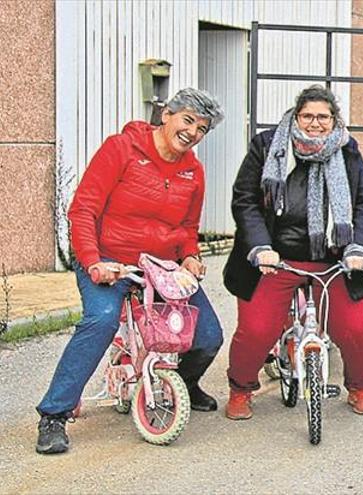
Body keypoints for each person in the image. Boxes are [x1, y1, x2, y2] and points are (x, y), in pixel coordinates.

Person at [36, 88, 226, 455]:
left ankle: (180, 384)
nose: (192, 132)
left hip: (162, 266)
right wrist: (93, 261)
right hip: (110, 259)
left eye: (202, 129)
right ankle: (54, 414)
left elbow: (188, 228)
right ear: (167, 115)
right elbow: (84, 210)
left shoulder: (193, 171)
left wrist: (189, 257)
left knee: (207, 335)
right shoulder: (121, 149)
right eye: (188, 120)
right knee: (102, 321)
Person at [222, 85, 363, 419]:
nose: (315, 123)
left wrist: (357, 247)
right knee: (257, 330)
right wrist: (261, 247)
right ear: (296, 115)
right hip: (275, 260)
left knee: (358, 329)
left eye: (323, 117)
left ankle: (359, 387)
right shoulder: (268, 146)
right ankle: (240, 390)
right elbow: (245, 200)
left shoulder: (347, 150)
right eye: (308, 116)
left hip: (332, 259)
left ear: (334, 119)